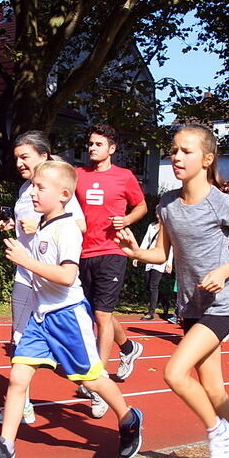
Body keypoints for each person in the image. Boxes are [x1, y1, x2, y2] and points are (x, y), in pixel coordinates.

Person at [117, 123, 229, 458]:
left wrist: (225, 270)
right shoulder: (167, 204)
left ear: (207, 159)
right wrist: (136, 251)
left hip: (221, 305)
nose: (177, 156)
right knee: (213, 388)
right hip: (191, 305)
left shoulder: (221, 203)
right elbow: (162, 253)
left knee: (174, 372)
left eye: (186, 151)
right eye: (173, 150)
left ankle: (219, 433)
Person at [0, 160, 143, 458]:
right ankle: (5, 446)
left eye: (40, 188)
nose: (33, 193)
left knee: (92, 379)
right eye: (33, 186)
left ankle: (129, 419)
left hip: (67, 317)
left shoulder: (67, 230)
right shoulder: (43, 226)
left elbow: (65, 276)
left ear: (64, 194)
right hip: (40, 318)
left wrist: (26, 260)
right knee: (18, 376)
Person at [0, 130, 88, 425]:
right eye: (16, 157)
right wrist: (10, 223)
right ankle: (23, 406)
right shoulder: (24, 190)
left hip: (53, 282)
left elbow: (79, 226)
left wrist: (41, 224)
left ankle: (93, 386)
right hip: (25, 276)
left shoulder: (56, 189)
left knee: (66, 353)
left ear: (43, 157)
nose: (19, 162)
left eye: (25, 157)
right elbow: (23, 223)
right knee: (18, 343)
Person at [75, 123, 148, 380]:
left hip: (112, 250)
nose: (92, 148)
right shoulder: (78, 174)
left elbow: (141, 206)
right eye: (90, 143)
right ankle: (128, 348)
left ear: (112, 148)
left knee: (102, 315)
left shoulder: (124, 176)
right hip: (83, 252)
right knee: (94, 310)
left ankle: (97, 375)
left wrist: (127, 220)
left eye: (98, 144)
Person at [136, 214, 173, 321]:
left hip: (161, 259)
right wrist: (138, 255)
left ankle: (151, 312)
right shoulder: (151, 226)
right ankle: (165, 302)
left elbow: (171, 246)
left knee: (153, 286)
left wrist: (169, 263)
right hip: (149, 257)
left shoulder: (168, 227)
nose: (157, 214)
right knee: (148, 286)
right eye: (156, 212)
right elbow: (146, 241)